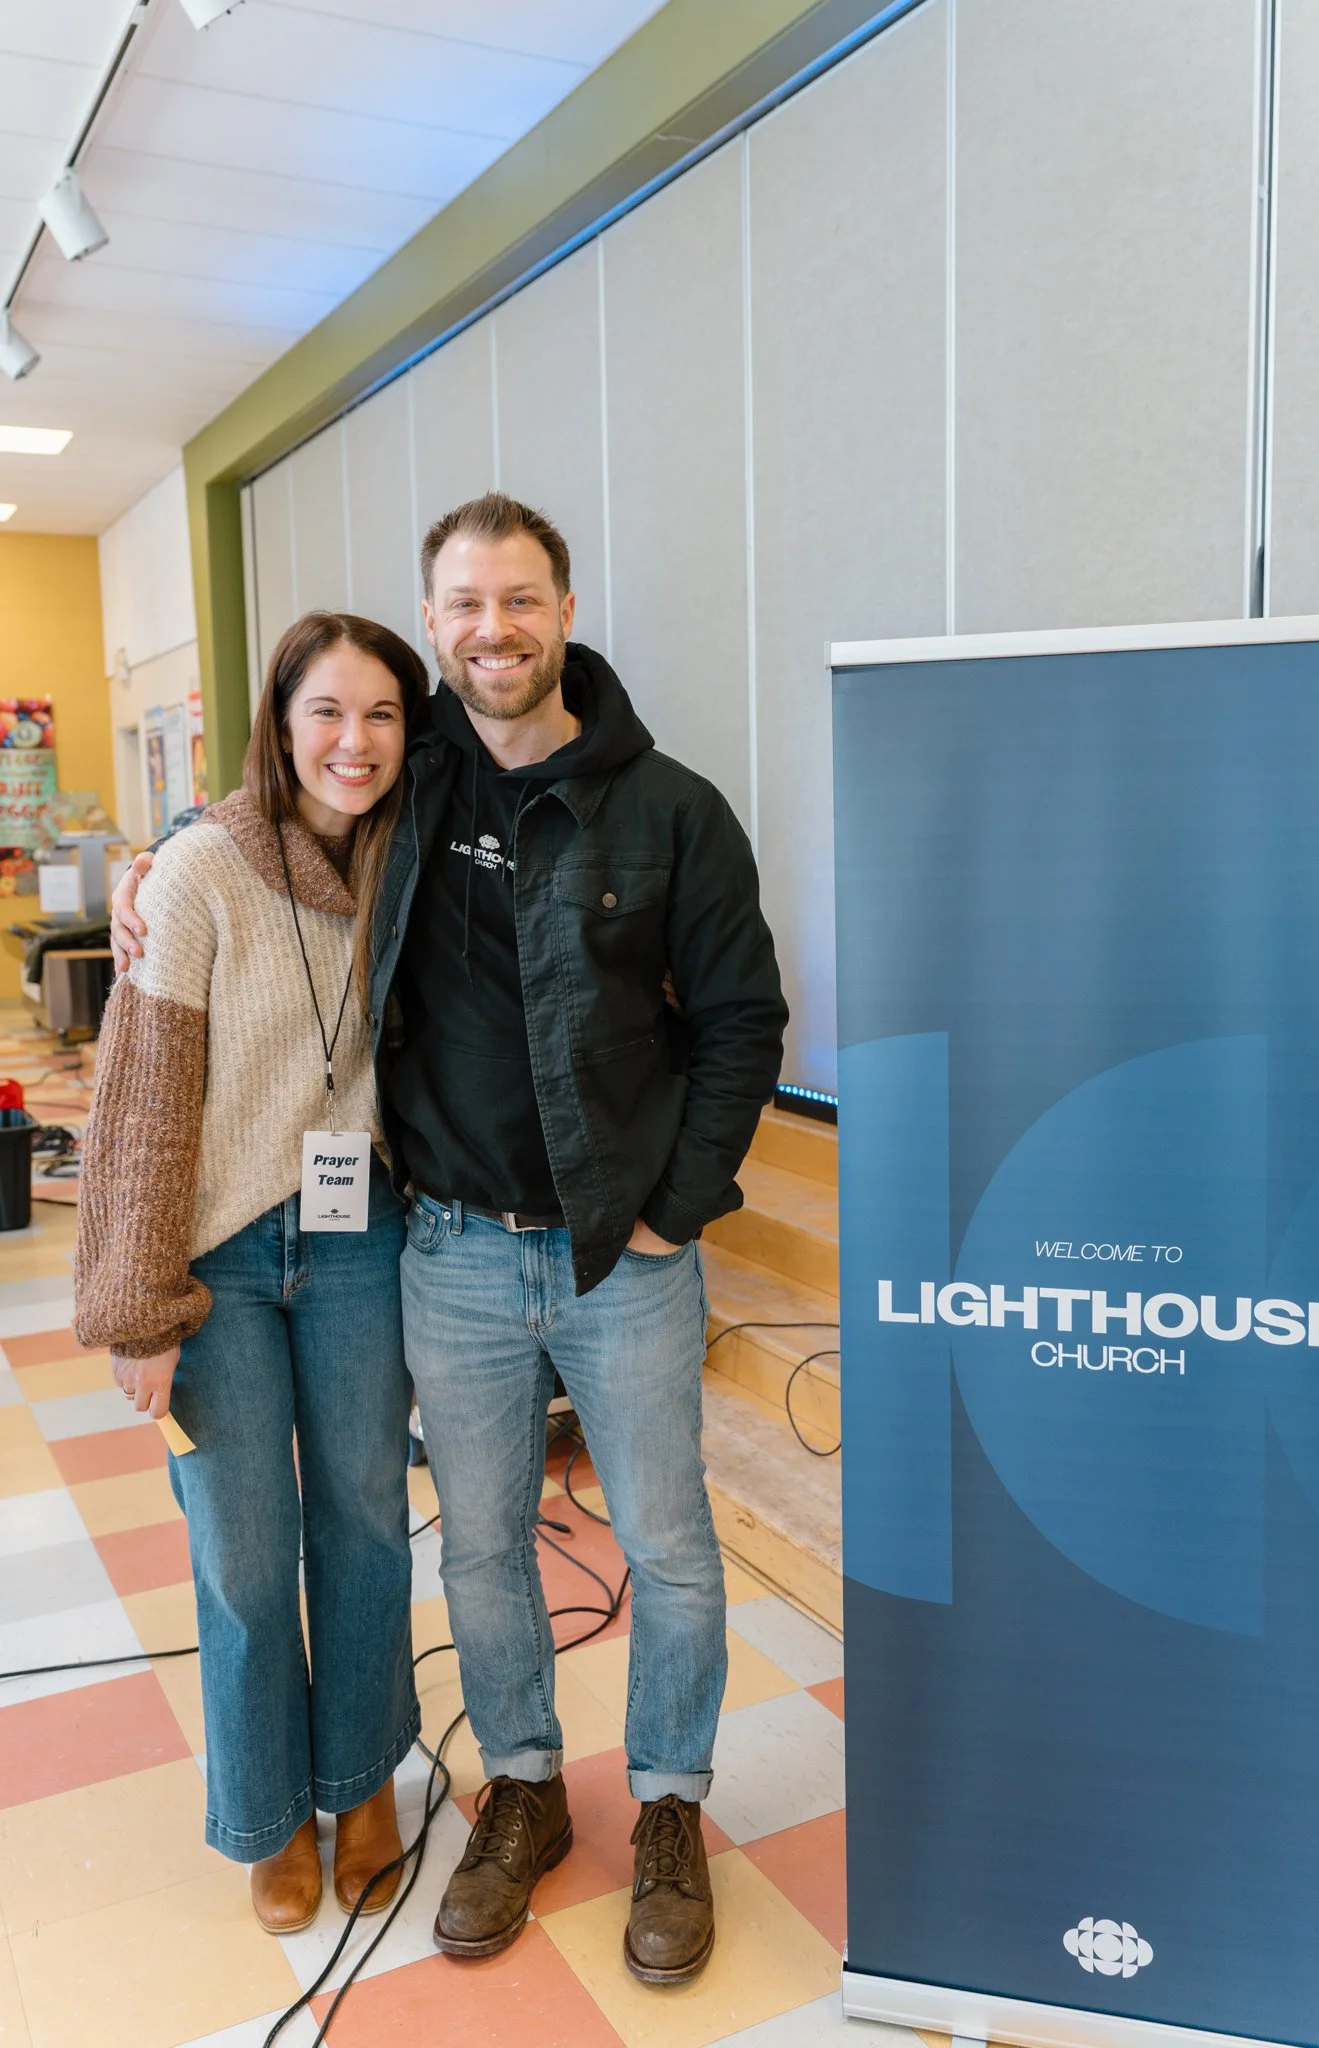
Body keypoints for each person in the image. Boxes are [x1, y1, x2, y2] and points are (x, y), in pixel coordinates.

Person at [113, 493, 788, 1986]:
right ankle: (525, 1786)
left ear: (564, 611)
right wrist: (155, 857)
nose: (495, 628)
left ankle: (669, 1807)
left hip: (623, 1259)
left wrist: (674, 1210)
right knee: (479, 1546)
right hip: (451, 1253)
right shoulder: (411, 780)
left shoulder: (673, 809)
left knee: (667, 1545)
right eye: (466, 604)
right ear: (435, 624)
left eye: (521, 598)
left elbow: (745, 1021)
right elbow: (281, 798)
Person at [79, 612, 431, 1936]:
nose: (354, 741)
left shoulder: (416, 859)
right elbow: (143, 1096)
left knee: (366, 1519)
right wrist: (138, 1304)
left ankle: (363, 1781)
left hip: (359, 1236)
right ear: (280, 724)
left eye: (382, 714)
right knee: (241, 1548)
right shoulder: (198, 871)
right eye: (326, 710)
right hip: (215, 1255)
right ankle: (270, 1813)